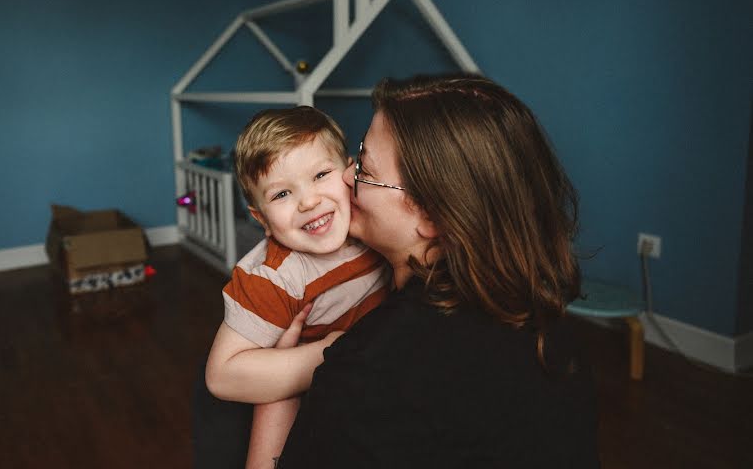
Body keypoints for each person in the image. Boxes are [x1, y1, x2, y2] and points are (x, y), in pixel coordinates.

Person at [273, 72, 600, 468]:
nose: (346, 175)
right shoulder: (547, 322)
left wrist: (279, 385)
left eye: (366, 170)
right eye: (356, 154)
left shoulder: (370, 369)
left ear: (432, 214)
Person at [197, 106, 390, 469]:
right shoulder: (275, 275)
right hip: (312, 390)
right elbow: (221, 376)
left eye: (320, 174)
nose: (308, 201)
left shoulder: (373, 226)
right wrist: (329, 351)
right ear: (262, 219)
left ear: (351, 173)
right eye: (281, 195)